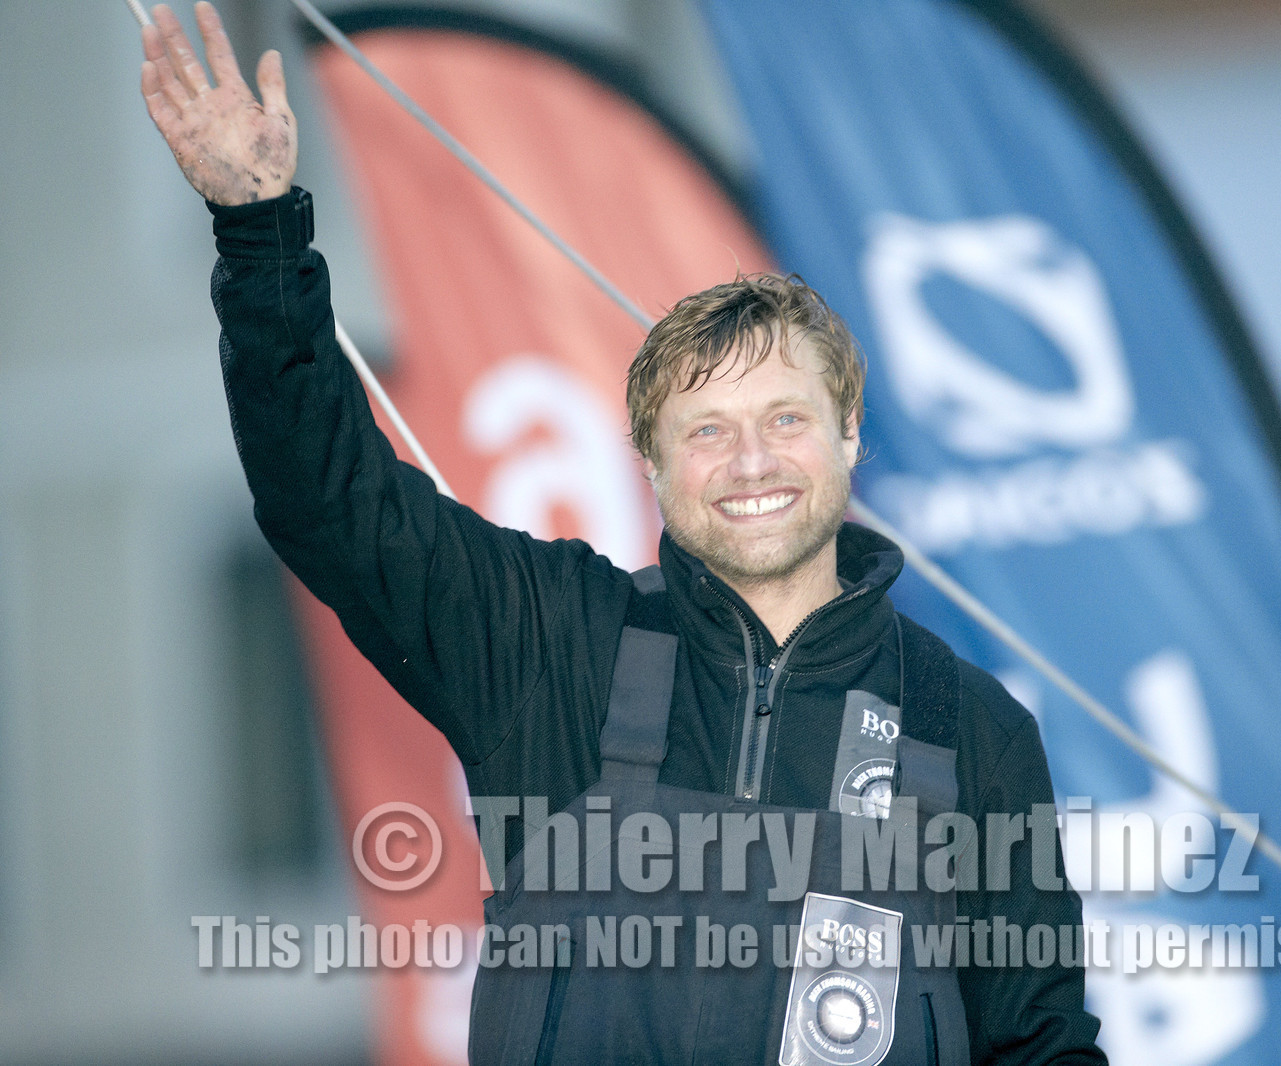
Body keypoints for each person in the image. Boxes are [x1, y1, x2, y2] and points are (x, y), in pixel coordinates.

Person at [139, 4, 1107, 1063]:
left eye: (785, 419)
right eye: (707, 430)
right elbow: (328, 502)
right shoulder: (550, 642)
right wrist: (258, 230)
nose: (750, 462)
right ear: (650, 464)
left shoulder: (968, 727)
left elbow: (1042, 1043)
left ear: (848, 437)